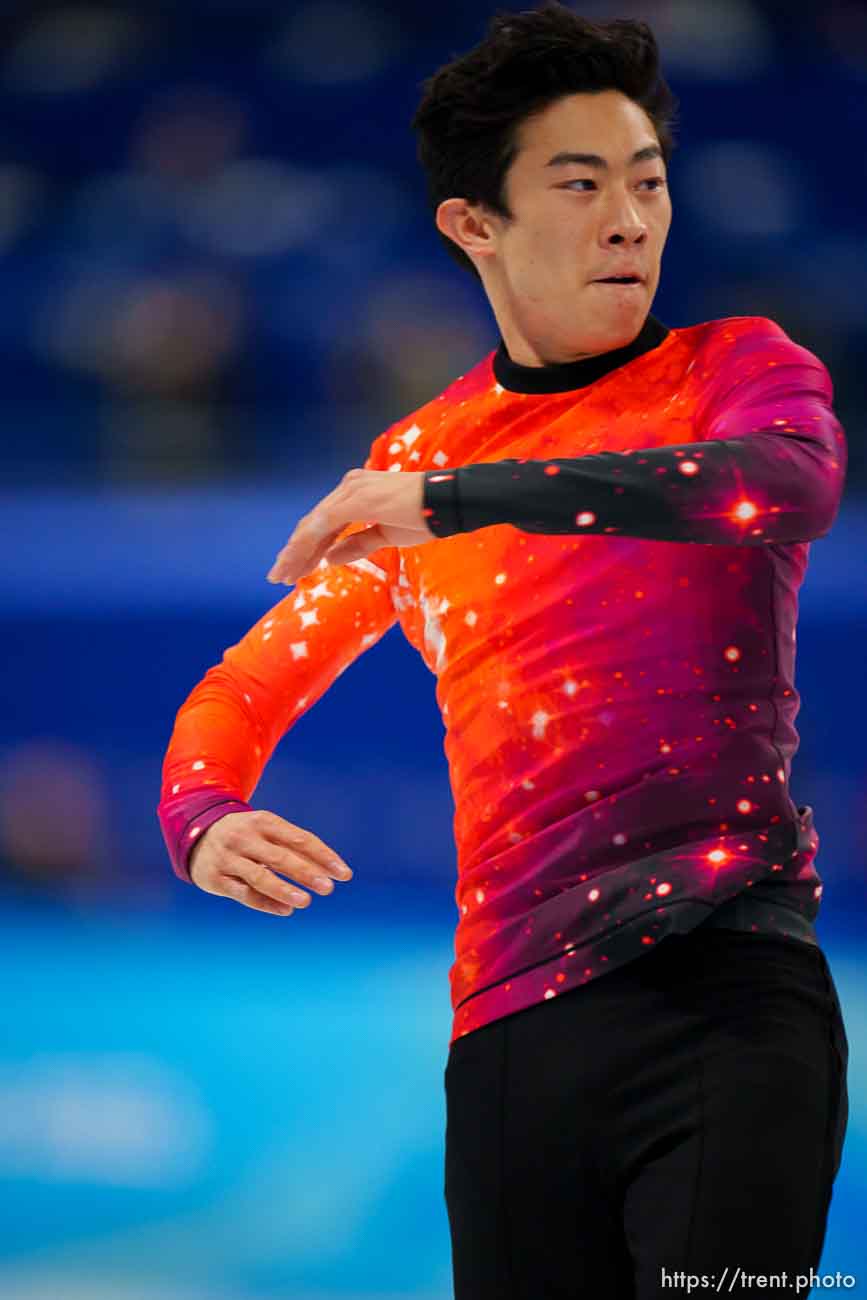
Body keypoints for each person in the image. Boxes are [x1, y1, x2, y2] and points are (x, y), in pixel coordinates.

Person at [157, 5, 849, 1296]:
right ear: (475, 225)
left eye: (647, 183)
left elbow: (783, 487)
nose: (630, 221)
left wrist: (472, 502)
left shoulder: (734, 370)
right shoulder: (419, 462)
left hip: (730, 993)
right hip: (512, 1043)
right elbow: (252, 679)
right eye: (581, 187)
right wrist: (198, 814)